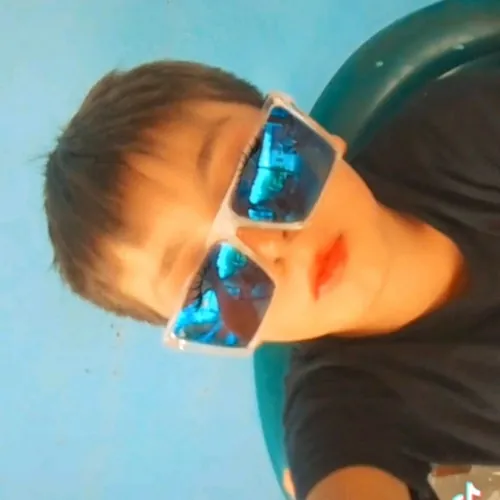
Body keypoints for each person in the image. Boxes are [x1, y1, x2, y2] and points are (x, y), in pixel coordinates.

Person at [43, 60, 500, 500]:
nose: (272, 247)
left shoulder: (471, 126)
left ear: (309, 128)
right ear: (224, 338)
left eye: (255, 171)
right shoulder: (345, 424)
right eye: (209, 274)